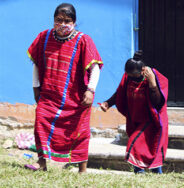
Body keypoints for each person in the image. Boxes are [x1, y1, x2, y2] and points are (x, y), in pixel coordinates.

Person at [26, 3, 103, 173]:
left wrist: (90, 90)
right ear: (53, 20)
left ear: (74, 22)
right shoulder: (44, 37)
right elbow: (36, 64)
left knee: (79, 131)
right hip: (48, 94)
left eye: (67, 20)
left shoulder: (84, 40)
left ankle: (82, 169)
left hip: (76, 98)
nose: (62, 24)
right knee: (40, 123)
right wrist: (35, 87)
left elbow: (95, 67)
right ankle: (42, 163)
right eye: (58, 20)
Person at [100, 51, 168, 174]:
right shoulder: (128, 78)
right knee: (145, 148)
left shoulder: (153, 77)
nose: (131, 77)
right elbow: (120, 93)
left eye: (134, 75)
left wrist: (152, 83)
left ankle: (142, 174)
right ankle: (154, 174)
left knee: (138, 144)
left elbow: (158, 103)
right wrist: (108, 103)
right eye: (128, 75)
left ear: (142, 70)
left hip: (151, 121)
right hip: (134, 118)